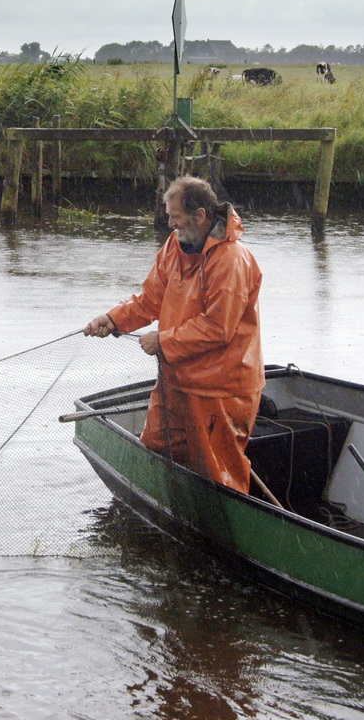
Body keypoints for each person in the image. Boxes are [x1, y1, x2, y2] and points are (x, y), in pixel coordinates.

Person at [83, 176, 264, 492]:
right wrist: (113, 320)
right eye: (169, 217)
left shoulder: (232, 260)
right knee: (156, 447)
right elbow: (150, 299)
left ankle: (221, 532)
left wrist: (163, 340)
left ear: (200, 216)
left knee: (220, 474)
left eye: (176, 217)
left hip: (220, 389)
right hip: (176, 379)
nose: (170, 224)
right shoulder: (174, 246)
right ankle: (171, 516)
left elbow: (218, 328)